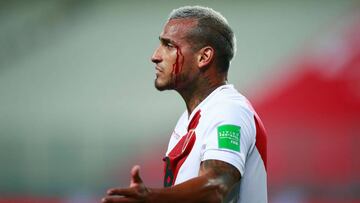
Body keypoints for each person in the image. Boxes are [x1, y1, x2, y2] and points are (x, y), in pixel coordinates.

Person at [102, 5, 267, 203]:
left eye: (169, 45)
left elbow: (216, 186)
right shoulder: (187, 120)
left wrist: (151, 198)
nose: (155, 56)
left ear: (204, 57)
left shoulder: (229, 110)